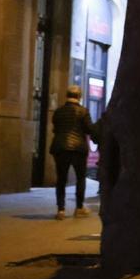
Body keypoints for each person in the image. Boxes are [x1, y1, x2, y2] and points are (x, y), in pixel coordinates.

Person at [49, 86, 97, 220]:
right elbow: (89, 129)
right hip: (78, 149)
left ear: (66, 95)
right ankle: (79, 207)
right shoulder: (83, 111)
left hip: (60, 148)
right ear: (79, 96)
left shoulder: (58, 111)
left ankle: (61, 210)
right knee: (80, 178)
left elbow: (56, 128)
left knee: (61, 179)